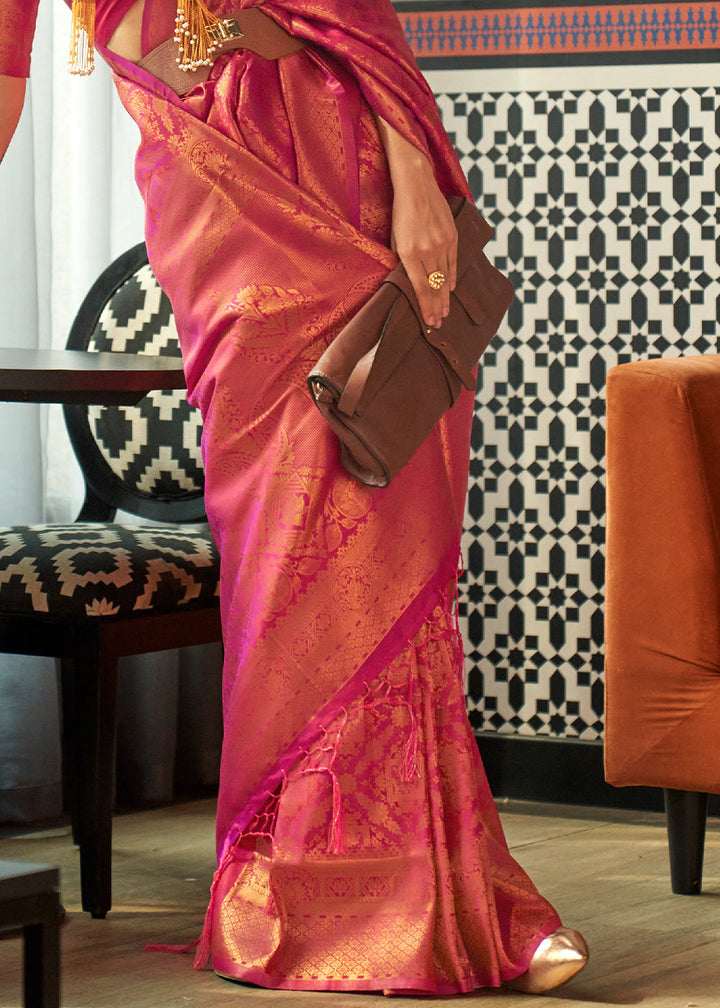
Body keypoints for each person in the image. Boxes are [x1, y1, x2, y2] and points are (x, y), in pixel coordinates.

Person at [0, 0, 588, 995]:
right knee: (282, 555)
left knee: (385, 539)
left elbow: (355, 18)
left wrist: (417, 185)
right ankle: (284, 890)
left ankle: (449, 894)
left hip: (340, 166)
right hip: (215, 199)